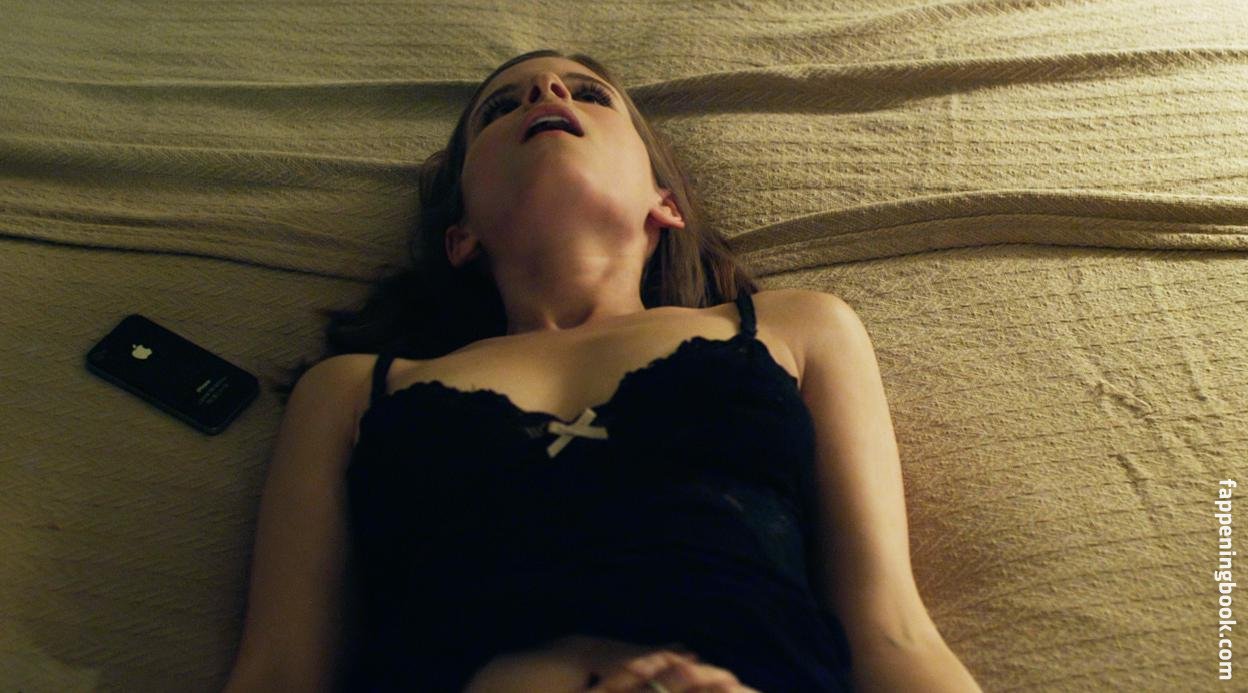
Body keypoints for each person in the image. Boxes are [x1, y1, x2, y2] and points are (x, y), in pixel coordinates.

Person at [225, 50, 984, 692]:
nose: (546, 91)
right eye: (501, 109)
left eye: (589, 94)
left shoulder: (797, 328)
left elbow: (893, 631)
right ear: (461, 234)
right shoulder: (353, 388)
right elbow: (281, 671)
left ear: (665, 203)